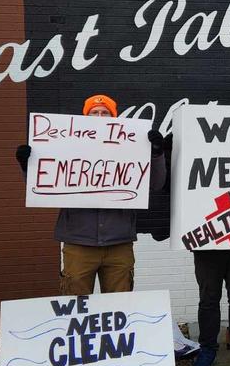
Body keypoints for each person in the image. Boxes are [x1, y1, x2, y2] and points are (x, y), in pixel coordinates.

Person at [17, 93, 166, 295]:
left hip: (119, 243)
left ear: (113, 118)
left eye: (105, 112)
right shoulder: (65, 147)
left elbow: (156, 184)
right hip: (78, 243)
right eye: (94, 112)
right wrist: (29, 166)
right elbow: (43, 188)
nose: (99, 116)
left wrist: (156, 154)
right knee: (76, 306)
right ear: (85, 118)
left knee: (119, 306)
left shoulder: (130, 149)